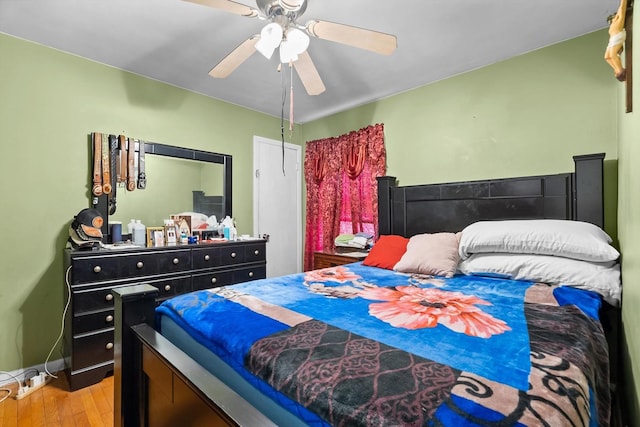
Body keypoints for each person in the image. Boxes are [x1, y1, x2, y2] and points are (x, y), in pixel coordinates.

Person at [604, 0, 628, 81]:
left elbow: (621, 9)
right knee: (607, 57)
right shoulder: (614, 22)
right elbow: (618, 10)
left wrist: (623, 1)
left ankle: (620, 70)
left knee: (611, 56)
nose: (610, 21)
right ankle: (618, 69)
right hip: (613, 39)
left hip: (617, 36)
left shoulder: (618, 20)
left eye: (611, 19)